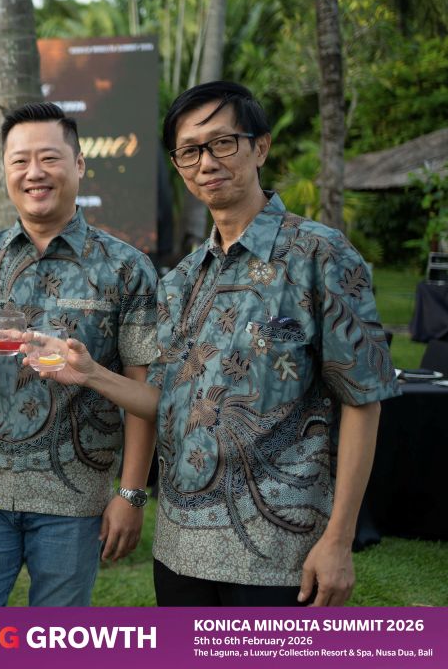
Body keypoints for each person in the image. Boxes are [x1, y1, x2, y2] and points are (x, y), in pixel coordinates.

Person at [45, 81, 398, 607]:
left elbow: (363, 399)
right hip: (179, 552)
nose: (206, 162)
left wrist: (339, 538)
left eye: (223, 142)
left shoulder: (320, 256)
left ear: (261, 147)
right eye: (189, 151)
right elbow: (163, 401)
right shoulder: (180, 281)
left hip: (280, 552)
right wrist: (91, 372)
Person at [0, 102, 158, 607]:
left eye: (49, 158)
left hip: (74, 498)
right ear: (4, 171)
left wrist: (131, 493)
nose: (34, 172)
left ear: (79, 164)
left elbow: (145, 394)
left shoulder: (126, 269)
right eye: (19, 161)